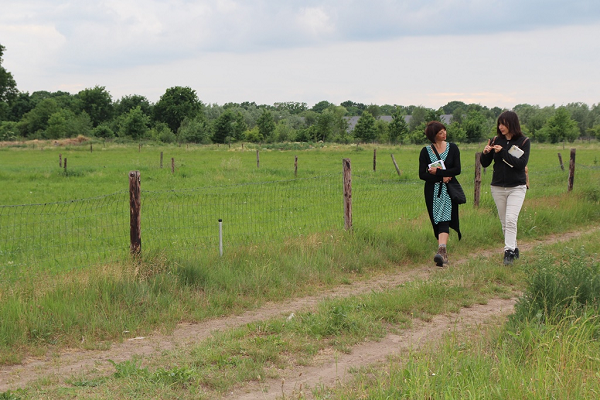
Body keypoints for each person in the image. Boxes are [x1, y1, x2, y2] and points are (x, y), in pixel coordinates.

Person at [481, 110, 530, 265]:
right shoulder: (496, 140)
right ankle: (514, 248)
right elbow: (485, 163)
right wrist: (486, 153)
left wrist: (502, 153)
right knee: (504, 221)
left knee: (510, 219)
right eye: (499, 124)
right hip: (498, 187)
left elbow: (520, 164)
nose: (501, 127)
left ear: (512, 124)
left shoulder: (523, 141)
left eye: (504, 124)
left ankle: (508, 252)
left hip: (517, 187)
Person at [419, 121, 462, 267]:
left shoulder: (453, 148)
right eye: (440, 132)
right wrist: (439, 177)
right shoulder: (425, 151)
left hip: (448, 190)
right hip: (432, 191)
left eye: (444, 131)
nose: (444, 134)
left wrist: (441, 173)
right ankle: (442, 255)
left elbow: (457, 169)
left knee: (445, 218)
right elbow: (422, 174)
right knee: (436, 220)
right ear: (433, 136)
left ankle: (441, 250)